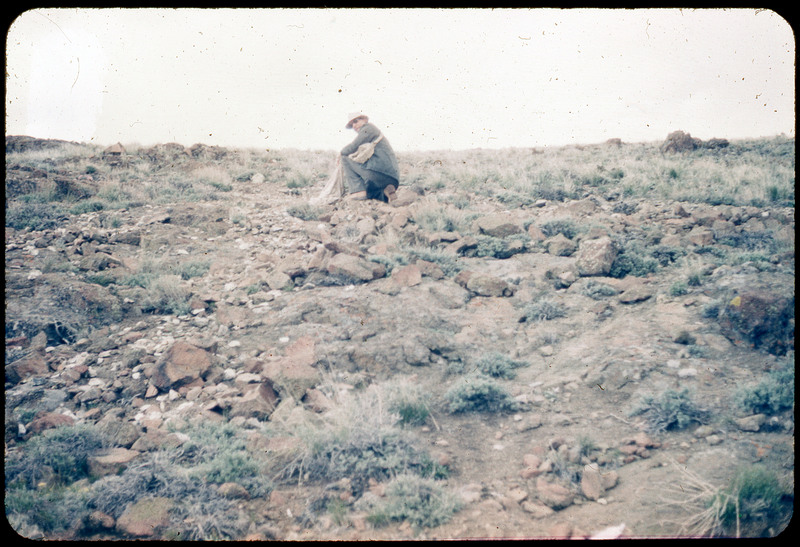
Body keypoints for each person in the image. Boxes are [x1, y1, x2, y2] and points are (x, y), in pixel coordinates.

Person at [340, 112, 400, 203]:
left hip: (380, 172)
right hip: (392, 178)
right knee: (371, 194)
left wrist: (340, 153)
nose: (354, 126)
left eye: (356, 121)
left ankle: (357, 191)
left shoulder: (368, 128)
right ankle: (386, 191)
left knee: (344, 158)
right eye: (352, 124)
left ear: (365, 119)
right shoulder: (373, 133)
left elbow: (352, 147)